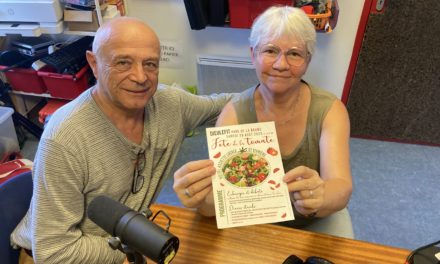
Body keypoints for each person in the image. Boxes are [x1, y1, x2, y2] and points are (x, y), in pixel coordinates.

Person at [10, 17, 232, 264]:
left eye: (150, 64)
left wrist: (276, 83)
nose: (140, 77)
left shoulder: (171, 105)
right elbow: (54, 252)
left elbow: (225, 104)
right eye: (123, 63)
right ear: (93, 63)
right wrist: (130, 254)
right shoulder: (64, 140)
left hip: (126, 234)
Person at [173, 6, 354, 238]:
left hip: (314, 220)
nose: (281, 64)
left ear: (308, 60)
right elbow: (218, 201)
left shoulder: (330, 110)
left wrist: (321, 196)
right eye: (270, 51)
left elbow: (341, 185)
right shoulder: (234, 113)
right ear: (253, 54)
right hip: (252, 221)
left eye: (295, 54)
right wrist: (199, 198)